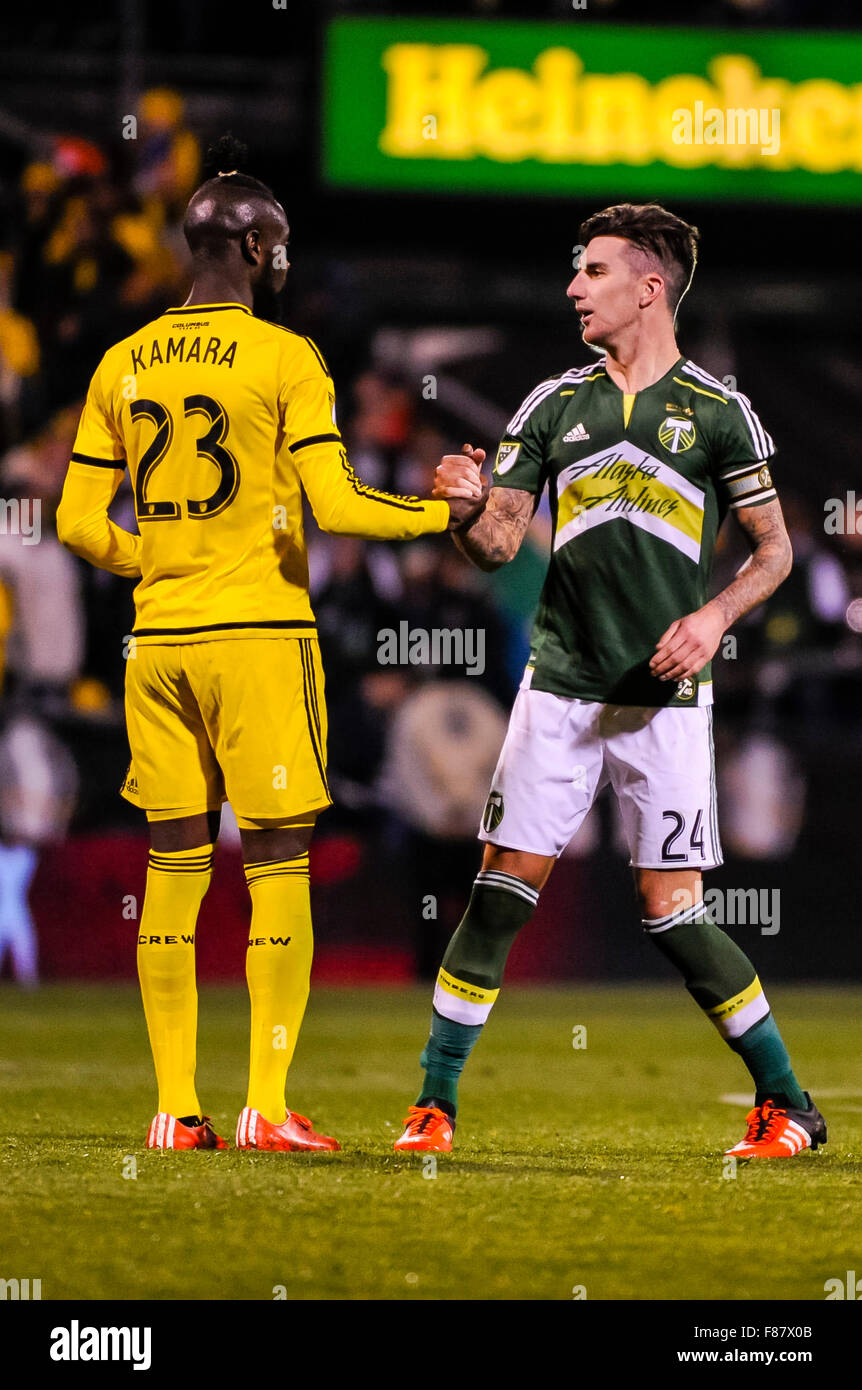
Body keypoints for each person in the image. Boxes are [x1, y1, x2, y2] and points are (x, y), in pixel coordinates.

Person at [56, 137, 484, 1153]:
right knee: (280, 861)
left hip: (157, 641)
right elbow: (335, 504)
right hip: (255, 632)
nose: (284, 264)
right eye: (278, 248)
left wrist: (155, 560)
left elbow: (74, 523)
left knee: (173, 865)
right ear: (253, 249)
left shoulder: (123, 360)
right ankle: (265, 1104)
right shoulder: (286, 357)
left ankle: (173, 1109)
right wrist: (442, 518)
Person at [393, 202, 826, 1162]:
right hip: (559, 684)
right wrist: (464, 510)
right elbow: (499, 542)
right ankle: (435, 1105)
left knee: (674, 913)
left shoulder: (719, 413)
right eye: (576, 272)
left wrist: (712, 618)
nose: (573, 288)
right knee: (501, 887)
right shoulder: (552, 405)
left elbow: (776, 552)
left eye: (592, 272)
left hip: (663, 697)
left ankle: (788, 1101)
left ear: (649, 286)